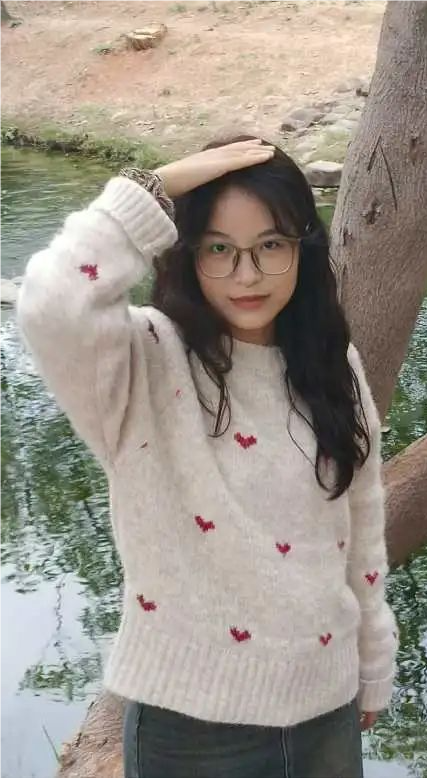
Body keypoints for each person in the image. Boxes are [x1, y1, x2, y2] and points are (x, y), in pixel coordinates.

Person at [17, 138, 400, 778]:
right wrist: (155, 185)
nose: (246, 275)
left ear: (302, 248)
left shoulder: (333, 364)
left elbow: (360, 522)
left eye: (270, 245)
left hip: (326, 710)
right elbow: (52, 302)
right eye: (219, 249)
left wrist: (373, 660)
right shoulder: (144, 361)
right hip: (192, 732)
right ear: (188, 253)